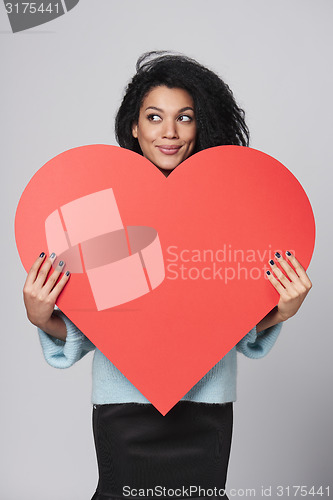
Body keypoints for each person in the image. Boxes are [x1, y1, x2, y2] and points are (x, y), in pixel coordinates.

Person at [23, 51, 312, 500]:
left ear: (202, 126)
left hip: (205, 408)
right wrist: (42, 316)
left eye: (185, 117)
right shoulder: (107, 207)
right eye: (154, 116)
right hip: (124, 407)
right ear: (134, 126)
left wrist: (280, 311)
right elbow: (101, 319)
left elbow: (227, 322)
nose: (169, 131)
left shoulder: (227, 210)